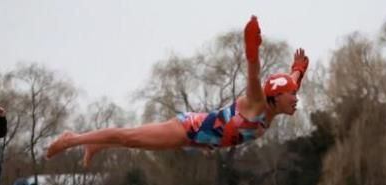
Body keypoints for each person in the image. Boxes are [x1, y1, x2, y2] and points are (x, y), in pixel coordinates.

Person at [45, 15, 309, 167]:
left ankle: (95, 144)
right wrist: (251, 43)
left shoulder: (275, 105)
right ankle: (73, 139)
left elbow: (292, 79)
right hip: (189, 129)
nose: (296, 99)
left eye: (295, 94)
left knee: (135, 143)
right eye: (292, 95)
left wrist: (297, 69)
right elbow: (253, 69)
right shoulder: (256, 102)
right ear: (276, 96)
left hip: (197, 142)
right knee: (131, 138)